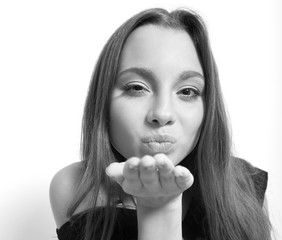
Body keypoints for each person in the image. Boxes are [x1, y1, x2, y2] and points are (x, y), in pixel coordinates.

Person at [49, 8, 272, 240]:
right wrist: (158, 210)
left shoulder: (244, 186)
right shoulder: (76, 188)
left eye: (187, 91)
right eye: (137, 88)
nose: (163, 114)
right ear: (102, 101)